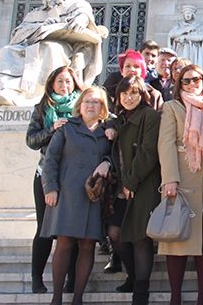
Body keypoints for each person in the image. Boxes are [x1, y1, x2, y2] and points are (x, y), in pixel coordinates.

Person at [0, 0, 105, 106]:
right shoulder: (35, 13)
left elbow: (84, 16)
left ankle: (40, 97)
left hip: (66, 47)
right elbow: (18, 35)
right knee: (6, 52)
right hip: (32, 46)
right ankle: (8, 92)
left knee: (50, 48)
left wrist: (80, 20)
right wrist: (41, 28)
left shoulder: (76, 4)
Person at [40, 86, 112, 305]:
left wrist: (107, 162)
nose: (91, 106)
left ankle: (78, 298)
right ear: (80, 105)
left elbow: (115, 157)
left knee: (87, 245)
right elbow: (50, 159)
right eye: (87, 101)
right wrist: (50, 188)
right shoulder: (67, 128)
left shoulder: (108, 132)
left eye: (96, 102)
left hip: (92, 196)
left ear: (103, 108)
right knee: (64, 244)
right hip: (66, 194)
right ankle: (57, 297)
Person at [159, 64, 203, 305]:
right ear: (179, 84)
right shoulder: (172, 107)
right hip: (183, 176)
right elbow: (165, 144)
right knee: (178, 238)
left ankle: (202, 296)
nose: (191, 84)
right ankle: (176, 296)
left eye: (196, 79)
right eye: (185, 81)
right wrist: (170, 179)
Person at [26, 66, 83, 294]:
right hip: (46, 175)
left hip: (74, 177)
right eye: (60, 81)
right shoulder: (42, 108)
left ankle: (71, 279)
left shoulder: (81, 106)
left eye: (68, 81)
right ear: (52, 84)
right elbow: (31, 140)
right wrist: (51, 129)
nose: (64, 86)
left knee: (71, 230)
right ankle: (37, 278)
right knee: (44, 228)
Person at [108, 76, 161, 304]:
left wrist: (131, 181)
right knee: (115, 233)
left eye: (134, 93)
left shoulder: (149, 115)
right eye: (125, 94)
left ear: (142, 95)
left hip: (143, 185)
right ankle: (131, 275)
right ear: (118, 96)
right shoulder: (118, 119)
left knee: (140, 237)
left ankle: (141, 291)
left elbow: (148, 152)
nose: (129, 98)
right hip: (120, 186)